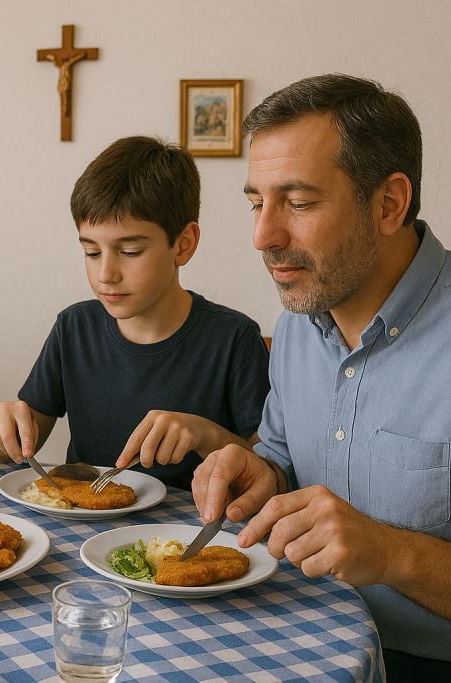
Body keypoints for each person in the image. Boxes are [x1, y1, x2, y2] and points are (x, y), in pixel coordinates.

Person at [192, 73, 451, 679]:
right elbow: (282, 457)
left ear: (389, 204)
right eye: (257, 203)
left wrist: (391, 553)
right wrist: (261, 472)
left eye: (299, 203)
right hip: (292, 641)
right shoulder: (298, 322)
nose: (263, 236)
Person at [0, 136, 270, 490]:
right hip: (79, 515)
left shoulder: (233, 339)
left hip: (188, 521)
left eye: (130, 252)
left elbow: (266, 468)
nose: (106, 274)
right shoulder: (74, 328)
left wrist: (205, 434)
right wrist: (4, 431)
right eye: (92, 252)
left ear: (183, 245)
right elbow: (23, 442)